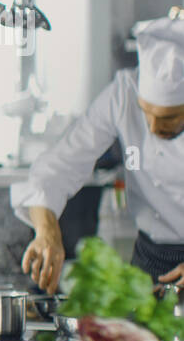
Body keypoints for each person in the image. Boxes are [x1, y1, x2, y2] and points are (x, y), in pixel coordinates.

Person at [13, 16, 184, 292]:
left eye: (169, 117)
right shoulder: (122, 93)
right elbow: (59, 165)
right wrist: (47, 231)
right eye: (146, 112)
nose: (153, 127)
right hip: (149, 262)